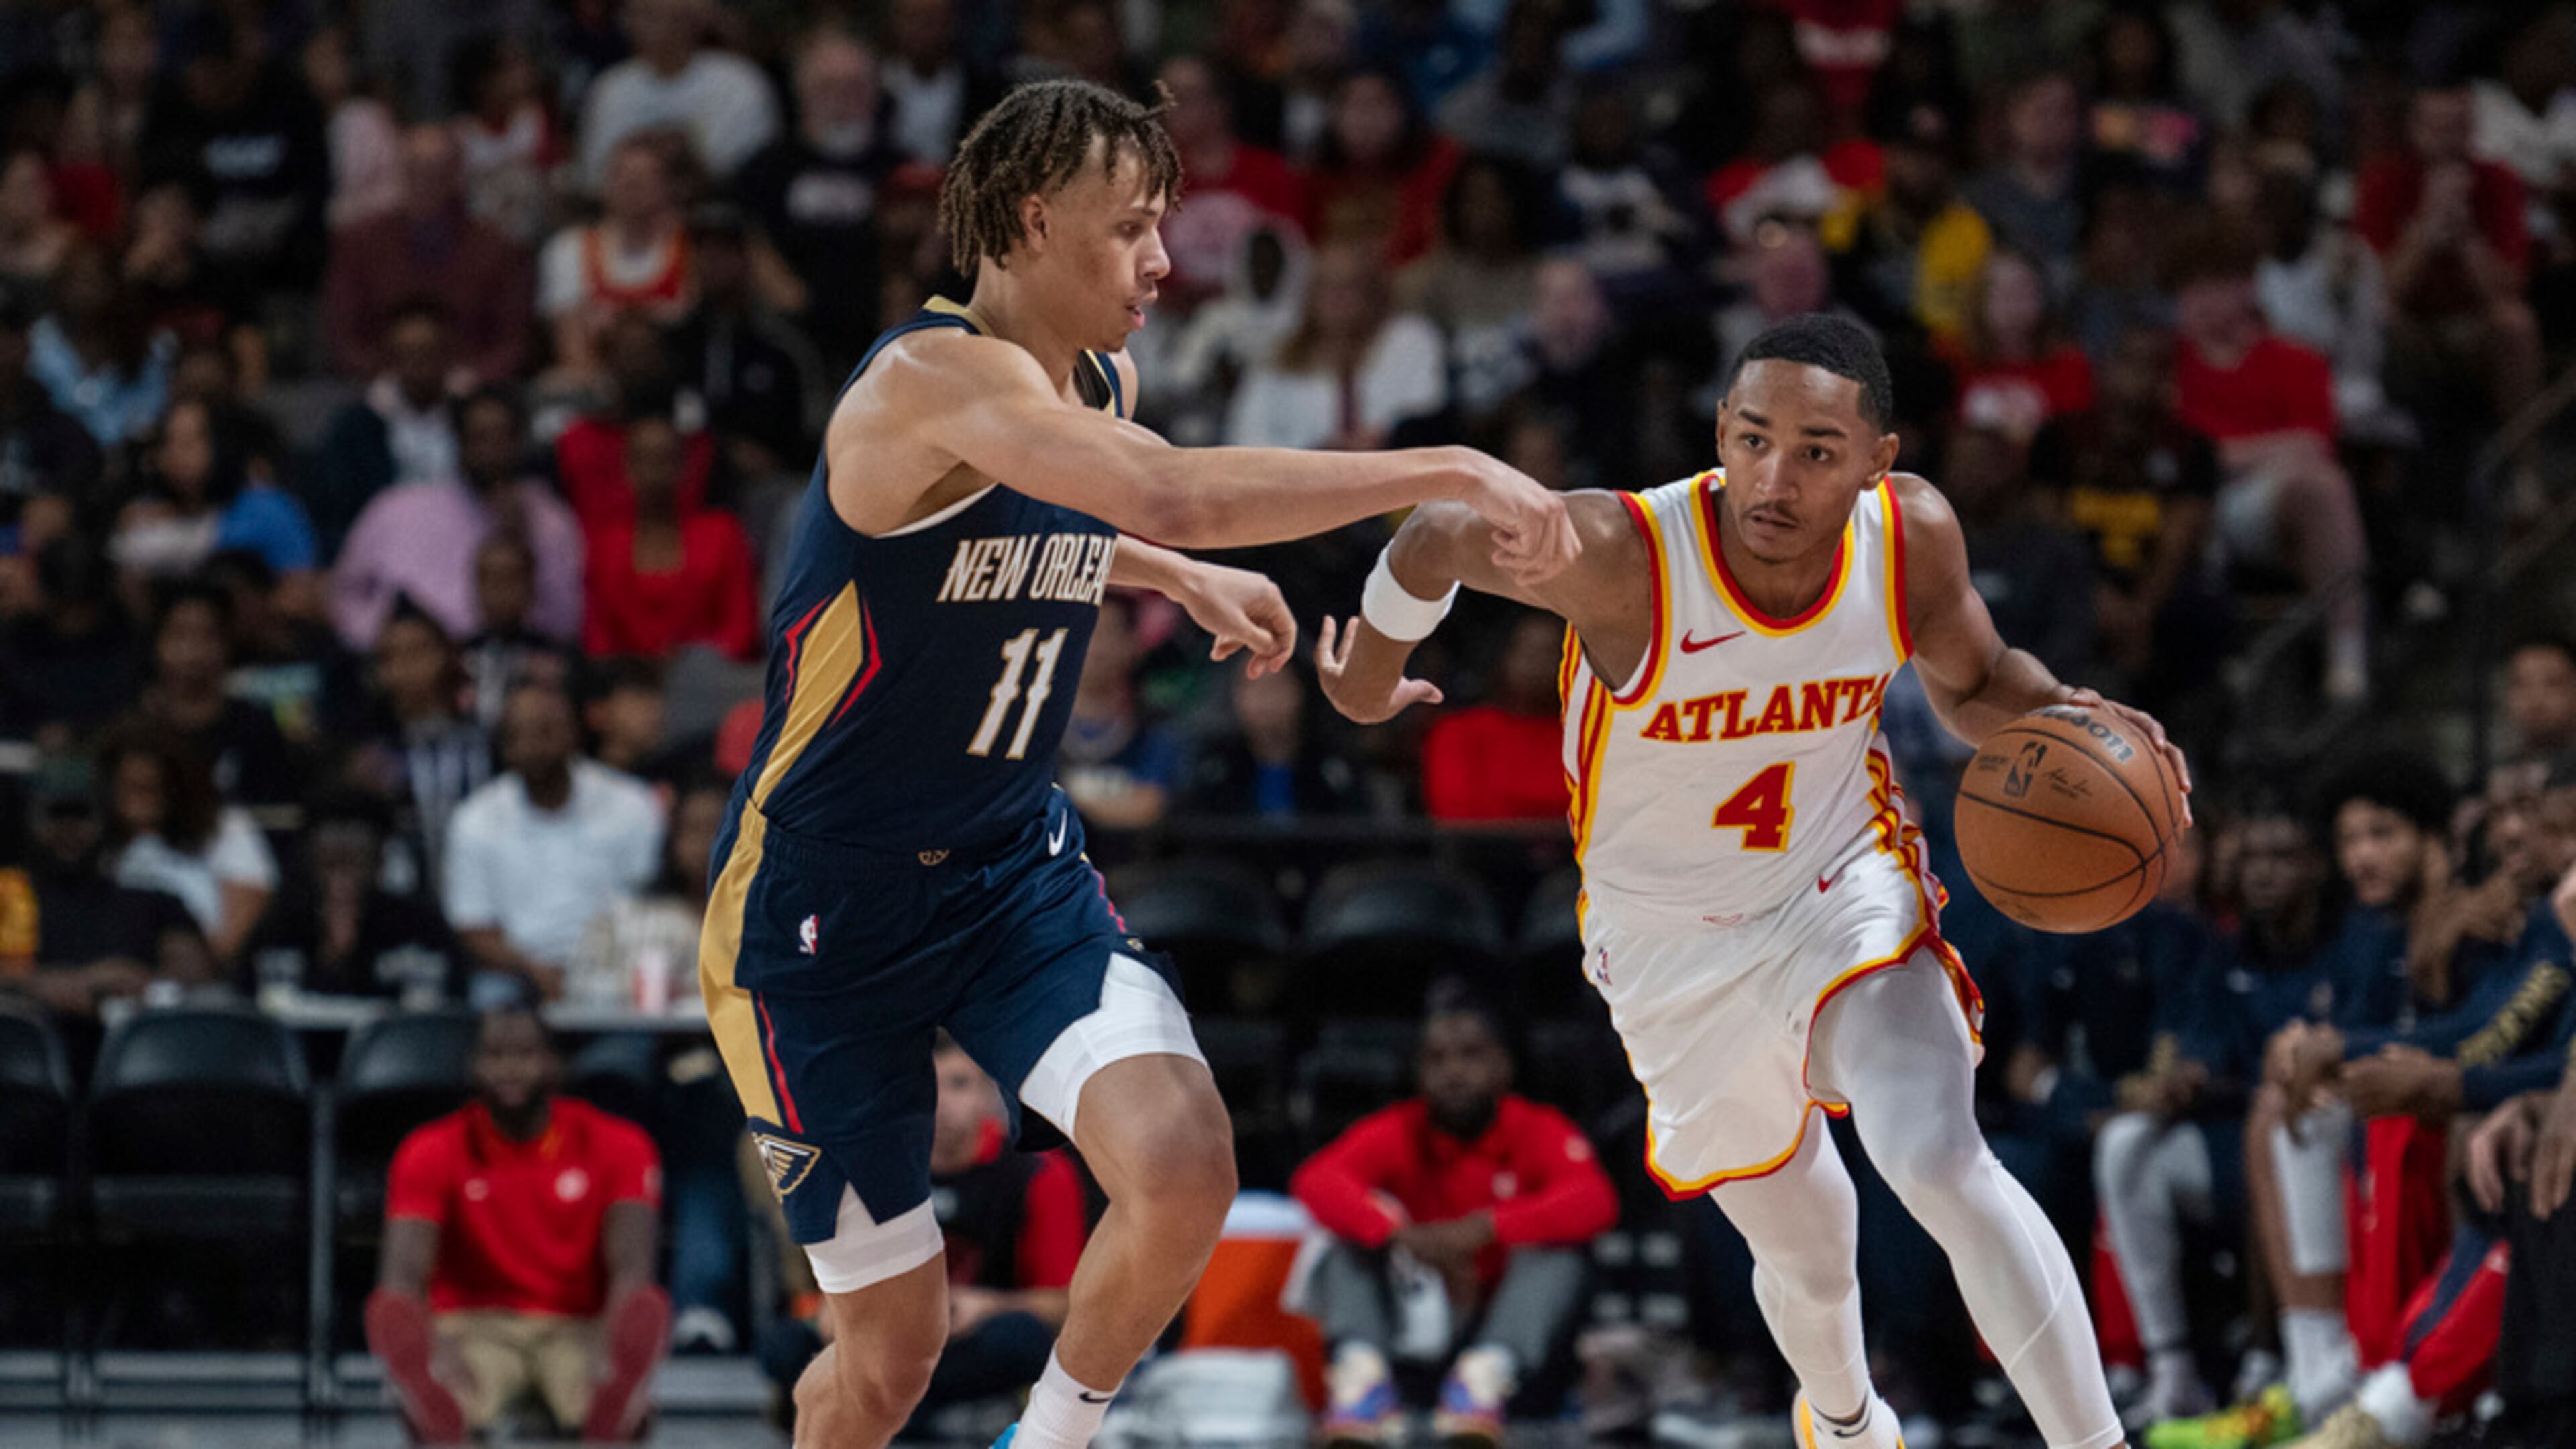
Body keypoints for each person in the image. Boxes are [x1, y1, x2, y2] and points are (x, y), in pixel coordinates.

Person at [698, 78, 1570, 1449]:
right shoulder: (926, 380)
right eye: (1132, 228)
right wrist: (1446, 466)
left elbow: (1043, 516)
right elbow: (1164, 488)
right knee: (889, 1361)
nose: (1164, 261)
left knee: (1182, 1163)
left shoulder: (1097, 380)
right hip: (821, 907)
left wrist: (1169, 573)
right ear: (1032, 220)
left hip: (1004, 872)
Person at [1318, 313, 2188, 1449]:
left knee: (1936, 1157)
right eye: (1753, 439)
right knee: (1810, 1252)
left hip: (1839, 884)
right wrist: (1366, 678)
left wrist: (2067, 715)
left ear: (1878, 459)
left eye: (1817, 451)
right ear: (1721, 430)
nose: (1775, 479)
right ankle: (1846, 1421)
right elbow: (1437, 533)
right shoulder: (1627, 557)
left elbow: (1975, 684)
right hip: (1668, 943)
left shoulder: (1908, 535)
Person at [1290, 982, 1617, 1446]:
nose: (1453, 1072)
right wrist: (1400, 1236)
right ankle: (1363, 1381)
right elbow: (1316, 1179)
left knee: (1563, 1256)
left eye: (1470, 1055)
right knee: (1345, 1241)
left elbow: (1595, 1200)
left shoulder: (1535, 1127)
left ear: (1503, 1066)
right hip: (1417, 1320)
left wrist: (1484, 1230)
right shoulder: (1401, 1127)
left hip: (1504, 1326)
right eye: (1436, 1059)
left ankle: (1481, 1383)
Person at [368, 1006, 669, 1446]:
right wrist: (434, 1348)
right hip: (472, 1326)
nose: (509, 1069)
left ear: (554, 1064)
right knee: (451, 1400)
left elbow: (632, 1267)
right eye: (495, 1056)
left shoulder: (620, 1144)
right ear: (473, 1066)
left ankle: (619, 1400)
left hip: (579, 1326)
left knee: (601, 1400)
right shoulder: (428, 1149)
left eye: (525, 1054)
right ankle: (430, 1398)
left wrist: (610, 1345)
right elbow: (402, 1275)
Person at [445, 681, 665, 999]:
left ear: (573, 733)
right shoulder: (474, 820)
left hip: (617, 967)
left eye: (544, 731)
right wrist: (535, 973)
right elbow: (473, 926)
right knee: (491, 997)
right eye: (516, 736)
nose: (531, 746)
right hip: (517, 976)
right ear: (503, 746)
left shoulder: (632, 805)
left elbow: (650, 901)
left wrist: (601, 971)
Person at [330, 386, 587, 651]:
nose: (491, 450)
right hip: (409, 663)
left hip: (515, 661)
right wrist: (385, 642)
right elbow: (344, 592)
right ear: (459, 441)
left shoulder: (550, 519)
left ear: (520, 442)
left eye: (502, 436)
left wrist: (522, 538)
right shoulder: (396, 508)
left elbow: (567, 621)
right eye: (480, 437)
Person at [2353, 83, 2544, 427]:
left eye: (2457, 127)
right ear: (2413, 128)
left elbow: (2508, 288)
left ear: (2472, 129)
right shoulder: (2382, 179)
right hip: (2408, 319)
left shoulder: (2500, 180)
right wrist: (2426, 227)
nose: (2447, 141)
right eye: (2436, 128)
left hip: (2472, 320)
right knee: (2382, 317)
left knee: (2515, 323)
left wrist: (2465, 232)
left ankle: (2522, 454)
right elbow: (2379, 289)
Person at [732, 30, 907, 373]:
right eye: (828, 87)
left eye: (855, 87)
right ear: (801, 92)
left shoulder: (907, 172)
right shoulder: (764, 169)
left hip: (885, 333)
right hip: (786, 332)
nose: (842, 99)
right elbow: (747, 235)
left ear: (876, 91)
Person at [321, 125, 533, 386]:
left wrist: (475, 376)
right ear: (400, 172)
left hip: (472, 391)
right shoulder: (360, 243)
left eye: (436, 171)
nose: (424, 181)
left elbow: (513, 342)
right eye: (415, 169)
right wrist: (382, 378)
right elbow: (343, 337)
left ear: (456, 174)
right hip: (376, 391)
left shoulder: (497, 249)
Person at [1, 757, 207, 1024]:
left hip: (133, 1042)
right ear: (29, 821)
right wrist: (64, 984)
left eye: (82, 815)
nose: (69, 829)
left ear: (107, 820)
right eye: (56, 815)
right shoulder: (7, 897)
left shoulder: (153, 902)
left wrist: (142, 984)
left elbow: (193, 972)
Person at [1222, 240, 1449, 451]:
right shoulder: (1277, 358)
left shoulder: (1410, 339)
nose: (1338, 298)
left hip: (1395, 468)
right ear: (1309, 295)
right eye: (1327, 287)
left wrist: (1383, 436)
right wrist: (1318, 453)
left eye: (1350, 286)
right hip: (1302, 475)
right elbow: (1245, 435)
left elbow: (1427, 411)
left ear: (1373, 292)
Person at [237, 790, 460, 1004]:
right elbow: (245, 1005)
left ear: (379, 861)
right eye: (331, 864)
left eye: (357, 864)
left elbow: (444, 1009)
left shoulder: (419, 928)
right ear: (311, 860)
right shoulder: (280, 927)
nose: (342, 880)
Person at [580, 415, 761, 661]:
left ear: (685, 466)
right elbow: (598, 636)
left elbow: (741, 629)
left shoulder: (723, 534)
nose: (654, 472)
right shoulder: (606, 543)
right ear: (627, 468)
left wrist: (692, 663)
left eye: (665, 459)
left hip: (710, 675)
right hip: (627, 677)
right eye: (644, 459)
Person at [97, 725, 277, 966]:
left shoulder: (226, 830)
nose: (140, 802)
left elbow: (237, 938)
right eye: (129, 788)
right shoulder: (97, 845)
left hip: (203, 973)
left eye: (151, 788)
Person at [577, 0, 780, 190]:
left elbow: (748, 165)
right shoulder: (610, 88)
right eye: (636, 14)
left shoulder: (739, 81)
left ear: (689, 20)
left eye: (656, 14)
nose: (644, 25)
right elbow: (595, 174)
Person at [1419, 610, 1571, 822]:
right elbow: (1456, 816)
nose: (1536, 664)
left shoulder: (1590, 737)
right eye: (1527, 651)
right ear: (1503, 656)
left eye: (1550, 653)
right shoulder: (1459, 733)